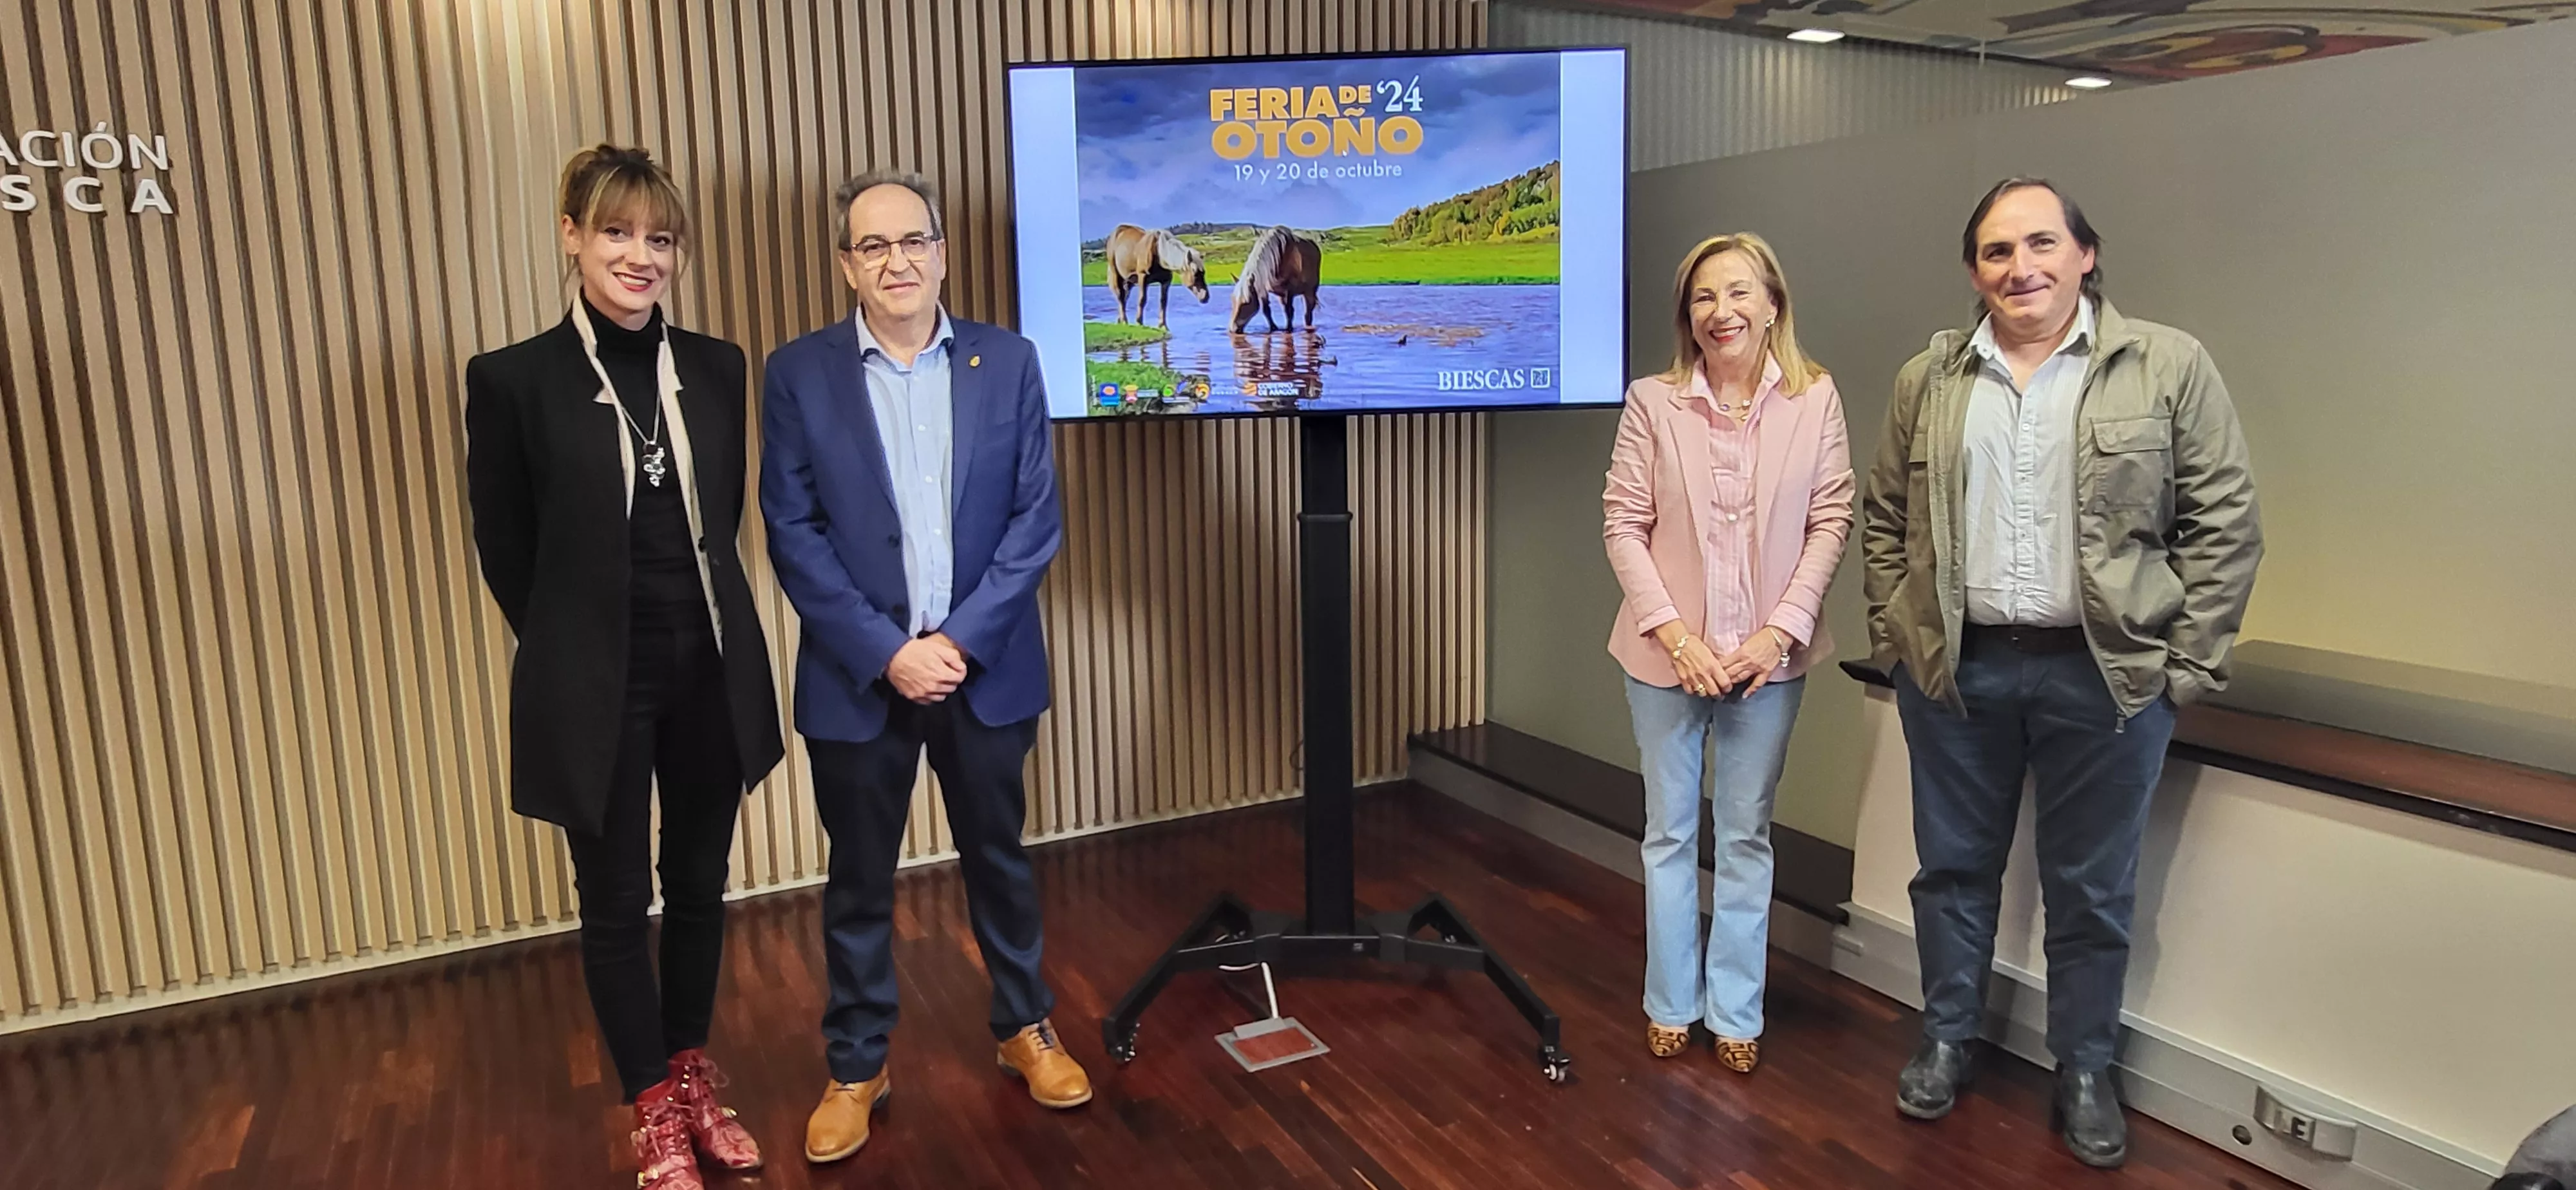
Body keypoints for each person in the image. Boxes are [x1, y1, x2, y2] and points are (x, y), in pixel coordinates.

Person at [1859, 177, 2262, 1167]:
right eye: (1996, 252)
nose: (2019, 267)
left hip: (2107, 679)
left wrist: (2185, 669)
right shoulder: (1932, 378)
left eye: (2041, 244)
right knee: (1952, 873)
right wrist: (1900, 640)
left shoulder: (2165, 365)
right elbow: (1883, 520)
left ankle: (2085, 1067)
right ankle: (1947, 1039)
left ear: (2086, 255)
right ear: (1973, 271)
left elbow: (2226, 526)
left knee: (2091, 889)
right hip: (1961, 674)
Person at [464, 145, 786, 1190]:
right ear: (571, 234)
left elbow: (721, 523)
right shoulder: (513, 380)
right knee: (613, 906)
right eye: (616, 232)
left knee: (699, 888)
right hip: (595, 684)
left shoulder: (721, 366)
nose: (640, 257)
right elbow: (508, 553)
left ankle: (692, 1077)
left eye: (660, 238)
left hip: (708, 667)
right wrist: (575, 644)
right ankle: (650, 1110)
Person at [759, 169, 1084, 1167]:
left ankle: (1023, 1027)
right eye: (872, 246)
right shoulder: (797, 374)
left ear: (943, 252)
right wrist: (890, 653)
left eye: (913, 241)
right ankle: (858, 1064)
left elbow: (1036, 521)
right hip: (862, 678)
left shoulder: (1009, 361)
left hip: (985, 667)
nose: (896, 261)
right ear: (845, 266)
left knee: (1000, 860)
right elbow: (791, 531)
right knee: (858, 879)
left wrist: (959, 643)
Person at [1602, 233, 1855, 1075]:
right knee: (1670, 836)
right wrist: (1675, 635)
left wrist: (1776, 632)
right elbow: (1623, 526)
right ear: (1688, 316)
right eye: (1705, 298)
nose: (1723, 312)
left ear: (1773, 304)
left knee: (1745, 837)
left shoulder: (1815, 400)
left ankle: (1735, 1009)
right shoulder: (1653, 401)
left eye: (1740, 293)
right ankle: (1671, 1002)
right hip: (1662, 662)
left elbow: (1831, 522)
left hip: (1767, 666)